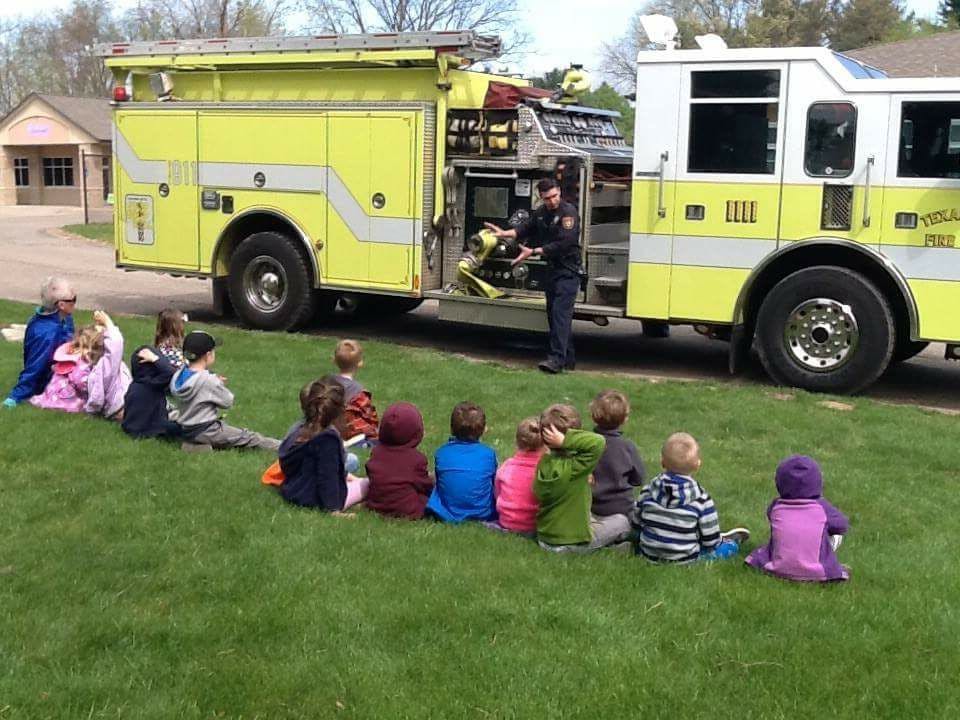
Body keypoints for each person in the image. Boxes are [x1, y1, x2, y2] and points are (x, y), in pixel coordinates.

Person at [484, 178, 582, 374]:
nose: (552, 201)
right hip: (552, 271)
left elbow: (566, 242)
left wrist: (535, 251)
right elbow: (525, 228)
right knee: (555, 317)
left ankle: (555, 361)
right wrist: (505, 233)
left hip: (568, 271)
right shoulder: (542, 213)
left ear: (559, 192)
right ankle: (568, 360)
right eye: (547, 198)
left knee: (560, 315)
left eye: (554, 196)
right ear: (541, 197)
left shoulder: (568, 212)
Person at [633, 432, 749, 563]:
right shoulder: (702, 499)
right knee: (728, 547)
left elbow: (636, 524)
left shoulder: (648, 490)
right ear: (697, 465)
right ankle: (730, 541)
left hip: (648, 553)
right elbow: (710, 542)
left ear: (662, 462)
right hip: (684, 558)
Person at [169, 330, 280, 452]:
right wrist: (218, 384)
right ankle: (285, 447)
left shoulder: (178, 375)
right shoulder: (208, 380)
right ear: (208, 355)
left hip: (186, 429)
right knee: (249, 437)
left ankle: (196, 445)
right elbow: (227, 402)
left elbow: (196, 386)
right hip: (207, 430)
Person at [745, 455, 850, 582]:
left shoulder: (776, 506)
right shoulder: (821, 507)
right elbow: (841, 525)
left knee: (762, 553)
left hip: (778, 568)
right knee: (834, 536)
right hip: (818, 571)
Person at [279, 377, 369, 512]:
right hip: (314, 499)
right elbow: (327, 477)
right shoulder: (328, 440)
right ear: (342, 409)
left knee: (352, 477)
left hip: (293, 491)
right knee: (369, 483)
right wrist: (333, 509)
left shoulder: (299, 430)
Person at [534, 404, 605, 553]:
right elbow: (598, 442)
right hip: (572, 543)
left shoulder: (544, 463)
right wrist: (565, 441)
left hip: (544, 539)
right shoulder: (576, 467)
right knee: (620, 522)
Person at [3, 276, 76, 407]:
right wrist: (15, 397)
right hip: (51, 381)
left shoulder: (63, 318)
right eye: (73, 300)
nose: (75, 303)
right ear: (61, 305)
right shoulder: (46, 334)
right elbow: (34, 367)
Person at [588, 390, 645, 549]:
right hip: (620, 510)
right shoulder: (627, 447)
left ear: (593, 416)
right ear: (625, 419)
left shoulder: (586, 443)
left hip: (590, 507)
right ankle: (619, 541)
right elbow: (639, 479)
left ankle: (610, 540)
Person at [426, 401, 498, 523]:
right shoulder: (489, 454)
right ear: (483, 430)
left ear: (452, 428)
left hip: (447, 513)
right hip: (482, 512)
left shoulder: (442, 453)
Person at [365, 402, 434, 520]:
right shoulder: (416, 460)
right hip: (407, 509)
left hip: (378, 504)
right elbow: (425, 486)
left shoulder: (376, 453)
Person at [28, 323, 103, 414]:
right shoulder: (81, 362)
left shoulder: (68, 356)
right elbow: (79, 381)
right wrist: (90, 390)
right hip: (66, 397)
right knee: (81, 404)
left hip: (53, 393)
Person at [491, 416, 544, 537]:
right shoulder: (546, 469)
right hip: (534, 524)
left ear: (517, 441)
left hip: (507, 521)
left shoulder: (507, 466)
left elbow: (497, 492)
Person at [122, 345, 181, 439]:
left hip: (131, 427)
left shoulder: (136, 384)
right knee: (183, 427)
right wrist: (156, 359)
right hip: (150, 429)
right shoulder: (153, 384)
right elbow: (171, 373)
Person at [83, 311, 132, 421]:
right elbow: (116, 342)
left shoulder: (98, 368)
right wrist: (107, 321)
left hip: (120, 407)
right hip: (124, 407)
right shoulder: (106, 365)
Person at [332, 339, 379, 441]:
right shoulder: (359, 392)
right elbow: (369, 417)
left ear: (334, 360)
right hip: (353, 435)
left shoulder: (325, 385)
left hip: (328, 430)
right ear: (360, 363)